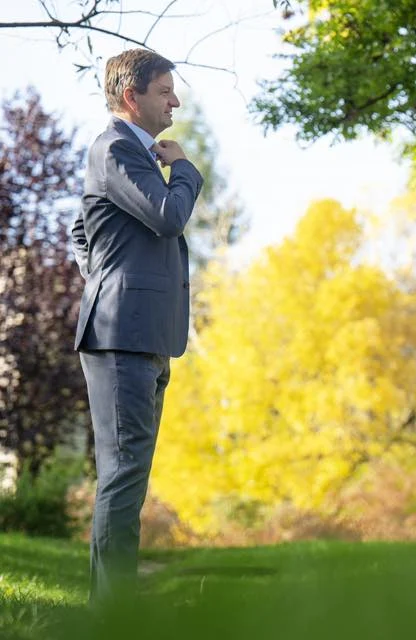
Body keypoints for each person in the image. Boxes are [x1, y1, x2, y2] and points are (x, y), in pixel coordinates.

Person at [71, 48, 204, 600]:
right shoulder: (118, 149)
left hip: (143, 334)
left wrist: (105, 272)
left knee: (128, 477)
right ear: (133, 97)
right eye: (165, 91)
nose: (174, 100)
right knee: (123, 476)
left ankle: (111, 604)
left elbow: (83, 232)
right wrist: (188, 171)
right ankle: (114, 609)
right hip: (121, 335)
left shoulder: (134, 156)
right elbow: (169, 217)